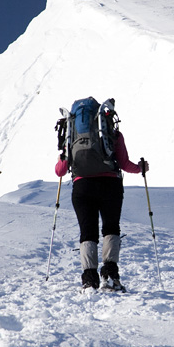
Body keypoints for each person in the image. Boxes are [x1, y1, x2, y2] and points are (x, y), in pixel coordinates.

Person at [55, 111, 148, 290]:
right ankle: (110, 276)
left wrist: (62, 158)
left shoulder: (72, 135)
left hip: (82, 187)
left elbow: (60, 171)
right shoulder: (111, 133)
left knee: (87, 232)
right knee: (111, 228)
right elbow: (124, 163)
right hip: (110, 185)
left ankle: (89, 279)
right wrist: (141, 168)